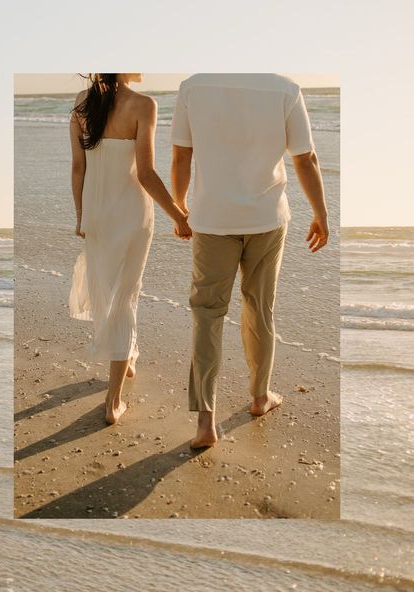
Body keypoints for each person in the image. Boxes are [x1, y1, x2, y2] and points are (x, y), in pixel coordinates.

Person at [170, 73, 329, 448]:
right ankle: (260, 397)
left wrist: (180, 206)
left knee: (207, 314)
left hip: (213, 219)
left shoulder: (193, 87)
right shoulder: (285, 89)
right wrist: (321, 213)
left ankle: (206, 422)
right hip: (267, 218)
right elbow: (305, 157)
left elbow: (181, 154)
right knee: (260, 307)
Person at [69, 73, 191, 425]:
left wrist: (80, 215)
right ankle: (113, 402)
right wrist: (180, 216)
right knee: (125, 294)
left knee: (113, 290)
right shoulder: (144, 105)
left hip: (96, 212)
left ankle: (129, 353)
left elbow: (79, 167)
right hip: (132, 215)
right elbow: (146, 174)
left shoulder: (81, 101)